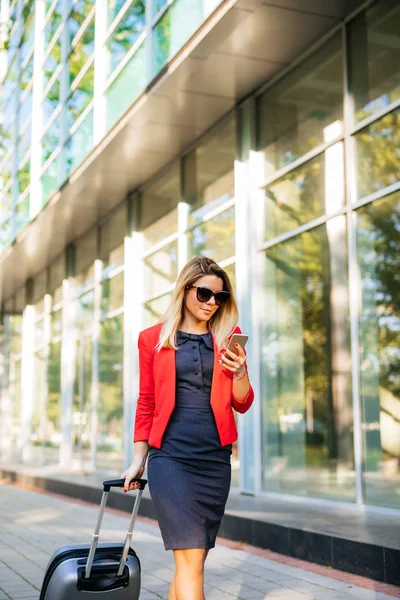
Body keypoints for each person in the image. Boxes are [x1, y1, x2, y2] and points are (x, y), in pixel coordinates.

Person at [122, 256, 254, 600]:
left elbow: (243, 402)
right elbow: (147, 401)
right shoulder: (152, 338)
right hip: (171, 458)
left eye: (220, 297)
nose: (212, 303)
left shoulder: (228, 339)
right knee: (191, 559)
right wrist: (138, 459)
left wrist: (240, 372)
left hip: (214, 459)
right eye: (205, 294)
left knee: (192, 562)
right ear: (185, 290)